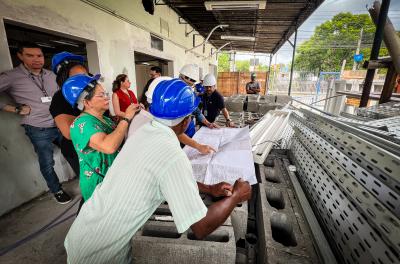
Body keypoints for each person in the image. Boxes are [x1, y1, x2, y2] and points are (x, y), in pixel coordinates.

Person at [64, 78, 252, 263]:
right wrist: (236, 195)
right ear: (187, 121)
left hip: (83, 229)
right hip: (99, 253)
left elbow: (168, 178)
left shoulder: (144, 131)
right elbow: (201, 227)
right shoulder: (173, 156)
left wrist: (209, 189)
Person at [0, 42, 71, 204]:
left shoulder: (51, 75)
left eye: (39, 56)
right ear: (20, 56)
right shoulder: (11, 76)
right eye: (30, 55)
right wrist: (15, 109)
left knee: (75, 151)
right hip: (38, 129)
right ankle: (57, 190)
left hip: (61, 124)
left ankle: (85, 180)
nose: (36, 59)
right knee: (47, 162)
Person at [62, 74, 139, 201]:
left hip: (113, 179)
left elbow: (119, 136)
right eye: (101, 95)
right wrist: (126, 117)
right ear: (86, 102)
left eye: (106, 94)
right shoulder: (83, 124)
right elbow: (109, 146)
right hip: (100, 184)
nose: (107, 98)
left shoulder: (105, 119)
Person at [49, 51, 88, 177]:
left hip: (98, 143)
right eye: (78, 76)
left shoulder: (90, 90)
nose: (85, 79)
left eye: (86, 75)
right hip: (78, 150)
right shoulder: (60, 98)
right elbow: (69, 133)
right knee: (91, 185)